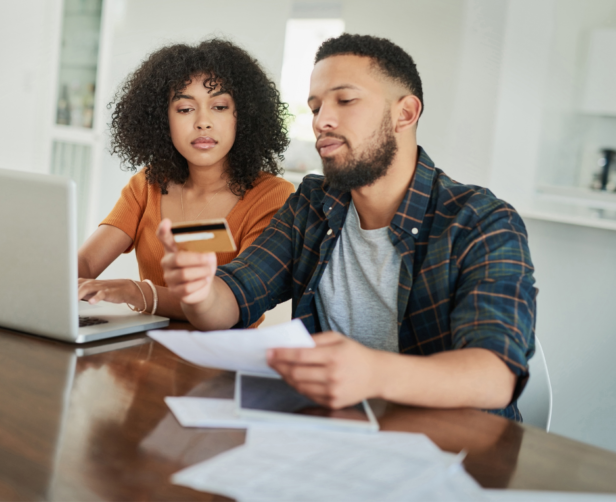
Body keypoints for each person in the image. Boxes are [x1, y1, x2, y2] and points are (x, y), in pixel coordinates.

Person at [157, 33, 537, 421]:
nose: (322, 121)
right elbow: (233, 299)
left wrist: (373, 373)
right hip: (333, 433)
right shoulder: (312, 204)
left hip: (451, 449)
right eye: (316, 106)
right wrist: (200, 292)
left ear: (404, 114)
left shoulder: (481, 221)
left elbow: (495, 375)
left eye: (345, 100)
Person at [77, 39, 294, 324]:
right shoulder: (148, 184)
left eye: (219, 106)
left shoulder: (272, 195)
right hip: (142, 351)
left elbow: (233, 301)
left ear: (244, 116)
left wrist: (136, 292)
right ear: (160, 119)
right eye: (185, 109)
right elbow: (88, 263)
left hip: (222, 358)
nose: (203, 122)